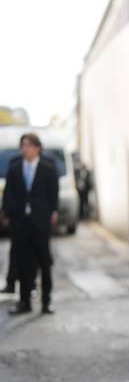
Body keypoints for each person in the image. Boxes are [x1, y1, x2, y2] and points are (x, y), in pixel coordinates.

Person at [1, 133, 59, 314]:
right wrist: (6, 213)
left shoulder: (48, 168)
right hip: (20, 223)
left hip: (40, 222)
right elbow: (9, 193)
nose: (24, 149)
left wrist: (53, 212)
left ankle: (46, 301)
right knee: (23, 262)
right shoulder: (15, 168)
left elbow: (53, 194)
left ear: (37, 148)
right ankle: (24, 301)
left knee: (44, 262)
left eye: (27, 145)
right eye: (22, 145)